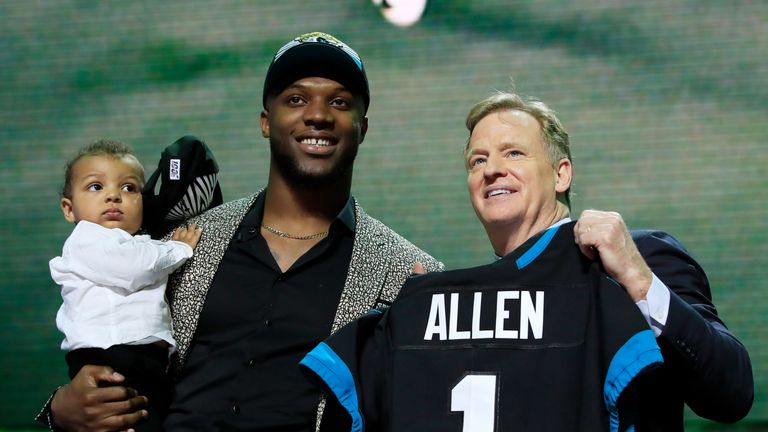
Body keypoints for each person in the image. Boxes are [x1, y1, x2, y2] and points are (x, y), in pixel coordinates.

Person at [38, 32, 442, 431]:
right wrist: (61, 408)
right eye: (296, 99)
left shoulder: (407, 274)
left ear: (363, 128)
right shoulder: (183, 240)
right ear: (266, 122)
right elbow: (107, 337)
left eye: (339, 101)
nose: (318, 114)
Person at [461, 91, 752, 430]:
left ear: (561, 175)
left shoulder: (641, 256)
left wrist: (636, 277)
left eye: (513, 153)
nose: (492, 169)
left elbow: (732, 394)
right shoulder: (466, 308)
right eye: (477, 161)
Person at [49, 139, 202, 431]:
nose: (113, 197)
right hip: (111, 357)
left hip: (144, 361)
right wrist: (179, 249)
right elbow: (136, 267)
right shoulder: (87, 239)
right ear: (69, 209)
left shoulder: (137, 243)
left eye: (129, 188)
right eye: (96, 187)